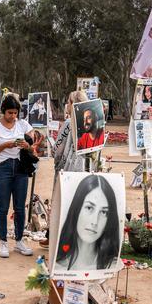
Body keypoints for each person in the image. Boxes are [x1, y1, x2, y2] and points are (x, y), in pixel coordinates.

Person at [0, 93, 39, 258]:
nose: (13, 116)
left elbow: (34, 144)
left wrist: (26, 146)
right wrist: (5, 145)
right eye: (10, 113)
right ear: (3, 111)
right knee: (3, 207)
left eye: (15, 113)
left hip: (20, 169)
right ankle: (3, 242)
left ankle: (19, 241)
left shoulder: (22, 125)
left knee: (20, 207)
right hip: (2, 168)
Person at [40, 91, 89, 248]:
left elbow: (57, 150)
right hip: (83, 170)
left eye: (68, 101)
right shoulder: (90, 124)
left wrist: (52, 149)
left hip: (66, 170)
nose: (66, 105)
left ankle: (56, 238)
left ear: (73, 104)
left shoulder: (68, 124)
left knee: (61, 204)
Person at [54, 175, 120, 271]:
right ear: (76, 209)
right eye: (89, 208)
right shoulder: (57, 266)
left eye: (103, 212)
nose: (94, 221)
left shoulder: (112, 266)